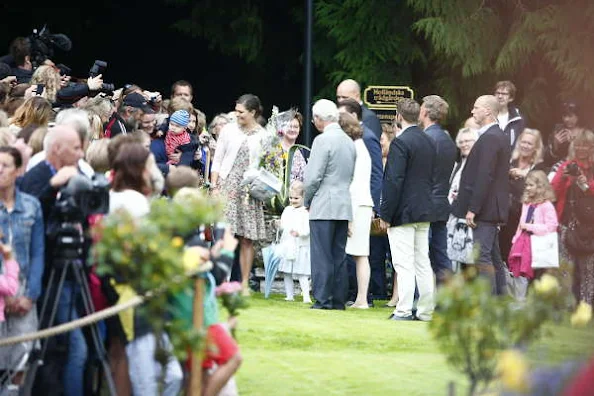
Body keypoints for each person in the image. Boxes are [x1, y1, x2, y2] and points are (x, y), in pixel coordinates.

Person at [108, 142, 183, 396]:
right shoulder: (133, 202)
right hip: (136, 292)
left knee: (166, 374)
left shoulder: (121, 198)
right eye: (150, 164)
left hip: (138, 292)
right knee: (151, 378)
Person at [19, 125, 87, 396]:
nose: (81, 154)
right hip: (48, 277)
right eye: (76, 148)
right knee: (74, 349)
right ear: (58, 149)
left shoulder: (70, 174)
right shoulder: (38, 177)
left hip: (69, 268)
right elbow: (30, 219)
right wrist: (53, 187)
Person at [379, 98, 437, 321]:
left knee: (403, 263)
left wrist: (385, 213)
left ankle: (403, 310)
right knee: (422, 261)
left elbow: (394, 181)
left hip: (403, 211)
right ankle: (425, 311)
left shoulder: (401, 143)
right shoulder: (428, 141)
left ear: (399, 117)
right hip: (424, 209)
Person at [451, 95, 510, 295]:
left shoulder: (491, 137)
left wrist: (473, 209)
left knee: (482, 257)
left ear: (487, 111)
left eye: (476, 108)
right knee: (492, 257)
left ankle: (488, 304)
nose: (472, 111)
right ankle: (501, 299)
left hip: (486, 209)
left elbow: (485, 175)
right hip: (490, 207)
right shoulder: (493, 135)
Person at [211, 94, 268, 296]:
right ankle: (221, 281)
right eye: (236, 111)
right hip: (228, 185)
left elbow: (266, 165)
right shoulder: (228, 130)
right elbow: (217, 159)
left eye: (241, 112)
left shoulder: (263, 135)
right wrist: (215, 186)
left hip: (249, 190)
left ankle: (244, 283)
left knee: (246, 239)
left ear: (253, 112)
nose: (237, 115)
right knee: (225, 235)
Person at [304, 99, 355, 310]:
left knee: (321, 255)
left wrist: (307, 200)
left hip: (324, 203)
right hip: (343, 203)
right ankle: (338, 300)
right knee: (339, 255)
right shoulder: (349, 141)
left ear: (318, 119)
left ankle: (323, 299)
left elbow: (313, 177)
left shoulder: (322, 141)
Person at [0, 146, 44, 383]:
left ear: (18, 171)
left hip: (24, 287)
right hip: (0, 289)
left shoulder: (31, 206)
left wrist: (30, 295)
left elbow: (38, 252)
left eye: (5, 165)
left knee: (22, 358)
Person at [551, 130, 594, 305]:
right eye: (578, 144)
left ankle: (587, 307)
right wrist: (563, 178)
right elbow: (552, 192)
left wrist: (586, 184)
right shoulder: (567, 166)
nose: (581, 148)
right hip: (567, 225)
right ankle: (564, 305)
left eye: (586, 145)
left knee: (589, 272)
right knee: (565, 269)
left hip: (591, 227)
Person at [420, 95, 457, 284]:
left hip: (425, 203)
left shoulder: (425, 139)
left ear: (425, 111)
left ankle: (420, 301)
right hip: (441, 202)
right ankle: (446, 300)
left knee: (421, 255)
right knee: (441, 256)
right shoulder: (448, 140)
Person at [338, 112, 373, 309]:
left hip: (357, 205)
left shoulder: (356, 149)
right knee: (360, 254)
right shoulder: (361, 147)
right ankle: (361, 298)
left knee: (359, 254)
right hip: (362, 204)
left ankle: (361, 299)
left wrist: (349, 217)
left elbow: (355, 186)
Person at [499, 128, 548, 260]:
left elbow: (543, 192)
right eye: (523, 142)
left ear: (536, 148)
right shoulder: (510, 161)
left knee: (516, 261)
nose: (525, 146)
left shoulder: (539, 167)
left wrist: (526, 176)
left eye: (529, 144)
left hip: (523, 222)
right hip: (502, 219)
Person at [508, 171, 558, 284]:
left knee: (537, 278)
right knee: (522, 276)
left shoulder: (546, 205)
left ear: (540, 187)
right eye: (526, 185)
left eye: (531, 185)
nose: (527, 188)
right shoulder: (527, 203)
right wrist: (515, 240)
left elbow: (551, 227)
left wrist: (530, 227)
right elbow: (521, 223)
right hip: (524, 244)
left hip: (539, 247)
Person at [277, 181, 311, 303]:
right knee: (287, 272)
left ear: (303, 197)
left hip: (300, 246)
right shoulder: (287, 210)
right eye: (291, 198)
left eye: (296, 198)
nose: (293, 200)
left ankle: (306, 296)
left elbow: (307, 229)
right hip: (287, 244)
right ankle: (289, 295)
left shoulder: (305, 212)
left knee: (302, 272)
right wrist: (279, 225)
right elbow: (283, 225)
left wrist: (299, 233)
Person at [545, 101, 589, 167]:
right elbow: (546, 159)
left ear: (578, 116)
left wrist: (572, 144)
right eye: (564, 116)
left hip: (581, 167)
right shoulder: (558, 130)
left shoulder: (586, 132)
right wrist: (555, 145)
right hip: (559, 167)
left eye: (570, 116)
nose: (566, 119)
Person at [449, 128, 478, 204]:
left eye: (467, 141)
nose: (464, 144)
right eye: (461, 142)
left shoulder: (479, 164)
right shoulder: (459, 164)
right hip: (452, 208)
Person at [494, 80, 525, 149]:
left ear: (511, 98)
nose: (500, 96)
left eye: (504, 94)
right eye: (498, 93)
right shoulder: (487, 115)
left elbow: (521, 142)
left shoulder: (518, 119)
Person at [280, 111, 308, 182]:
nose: (292, 129)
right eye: (289, 126)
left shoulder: (304, 152)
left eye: (296, 127)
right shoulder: (276, 150)